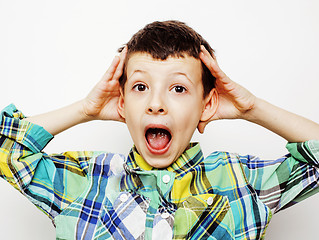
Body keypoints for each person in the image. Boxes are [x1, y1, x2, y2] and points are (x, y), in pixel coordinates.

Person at [1, 20, 319, 240]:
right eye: (140, 86)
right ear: (122, 103)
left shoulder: (241, 179)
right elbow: (6, 150)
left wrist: (253, 108)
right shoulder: (85, 181)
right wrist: (86, 109)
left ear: (207, 105)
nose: (155, 103)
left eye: (178, 89)